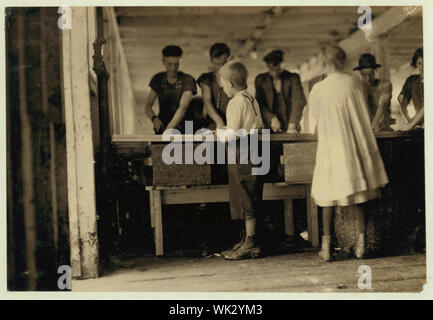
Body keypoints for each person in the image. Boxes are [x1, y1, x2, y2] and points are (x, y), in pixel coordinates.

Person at [309, 45, 389, 261]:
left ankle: (326, 248)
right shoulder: (355, 83)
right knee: (359, 194)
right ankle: (362, 244)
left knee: (327, 196)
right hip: (353, 146)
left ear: (325, 63)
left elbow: (315, 115)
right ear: (343, 62)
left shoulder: (318, 88)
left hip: (329, 146)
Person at [218, 61, 265, 260]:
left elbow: (232, 133)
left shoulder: (235, 102)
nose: (221, 86)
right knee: (250, 194)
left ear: (229, 83)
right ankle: (248, 240)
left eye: (222, 82)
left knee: (246, 195)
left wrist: (219, 134)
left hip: (243, 151)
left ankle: (251, 242)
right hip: (255, 148)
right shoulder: (251, 99)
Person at [144, 45, 197, 133]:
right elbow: (148, 107)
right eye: (170, 64)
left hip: (186, 125)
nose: (173, 68)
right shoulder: (158, 79)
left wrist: (169, 129)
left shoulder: (188, 79)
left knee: (186, 146)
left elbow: (183, 107)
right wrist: (154, 119)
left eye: (177, 64)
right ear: (163, 61)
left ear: (181, 61)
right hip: (163, 123)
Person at [255, 50, 306, 134]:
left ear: (281, 65)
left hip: (290, 128)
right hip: (268, 128)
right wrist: (271, 118)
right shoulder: (261, 80)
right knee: (268, 147)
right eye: (272, 71)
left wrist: (293, 123)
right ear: (267, 67)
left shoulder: (293, 78)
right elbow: (260, 104)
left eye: (277, 70)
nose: (275, 74)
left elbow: (299, 101)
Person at [354, 53, 393, 131]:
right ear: (360, 73)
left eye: (371, 74)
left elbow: (382, 105)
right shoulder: (357, 87)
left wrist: (374, 124)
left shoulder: (385, 85)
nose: (368, 78)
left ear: (375, 71)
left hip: (382, 127)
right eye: (364, 75)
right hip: (364, 128)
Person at [197, 43, 231, 130]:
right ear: (212, 60)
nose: (221, 67)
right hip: (212, 123)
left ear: (228, 60)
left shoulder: (234, 78)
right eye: (217, 64)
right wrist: (219, 121)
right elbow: (207, 102)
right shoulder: (206, 78)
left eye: (224, 64)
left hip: (232, 121)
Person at [398, 47, 424, 131]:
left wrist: (411, 124)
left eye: (426, 62)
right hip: (419, 125)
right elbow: (403, 102)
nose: (423, 67)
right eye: (419, 63)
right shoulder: (412, 81)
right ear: (415, 64)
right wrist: (410, 120)